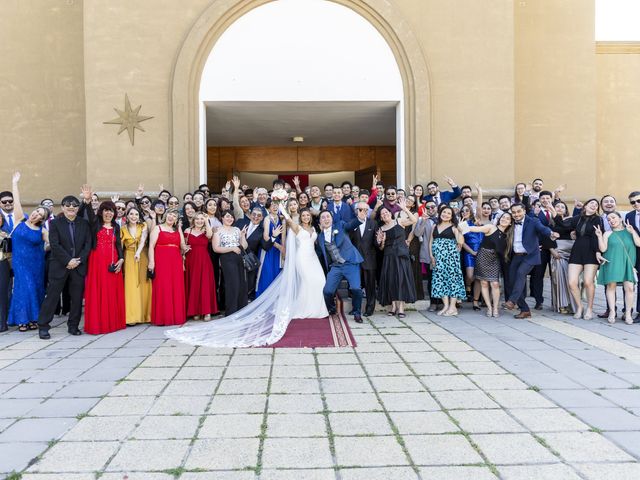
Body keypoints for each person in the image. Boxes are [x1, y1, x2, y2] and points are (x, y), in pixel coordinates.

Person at [37, 193, 92, 339]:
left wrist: (78, 260)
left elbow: (88, 245)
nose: (71, 207)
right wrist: (68, 260)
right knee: (52, 296)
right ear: (62, 207)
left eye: (74, 205)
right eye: (68, 205)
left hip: (78, 266)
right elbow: (54, 244)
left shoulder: (84, 224)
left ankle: (73, 326)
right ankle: (43, 326)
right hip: (60, 265)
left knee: (76, 298)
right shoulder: (55, 223)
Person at [7, 172, 49, 331]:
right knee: (25, 287)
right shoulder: (20, 220)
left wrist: (46, 248)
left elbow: (54, 244)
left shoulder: (42, 231)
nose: (36, 213)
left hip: (36, 263)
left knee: (36, 288)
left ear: (42, 218)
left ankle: (33, 319)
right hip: (20, 262)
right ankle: (22, 320)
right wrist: (14, 183)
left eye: (40, 214)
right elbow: (16, 202)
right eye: (37, 210)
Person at [549, 199, 603, 320]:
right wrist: (555, 215)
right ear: (585, 206)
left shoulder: (597, 219)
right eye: (591, 203)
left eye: (596, 205)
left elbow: (597, 237)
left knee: (588, 282)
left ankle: (589, 308)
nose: (594, 206)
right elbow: (563, 226)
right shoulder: (577, 218)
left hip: (591, 252)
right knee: (572, 282)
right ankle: (579, 307)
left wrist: (598, 252)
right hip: (577, 251)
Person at [503, 203, 558, 319]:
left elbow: (542, 229)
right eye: (513, 212)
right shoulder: (511, 222)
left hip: (530, 256)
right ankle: (525, 310)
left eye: (518, 211)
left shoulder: (533, 221)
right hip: (516, 255)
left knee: (520, 273)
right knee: (512, 281)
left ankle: (512, 301)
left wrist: (551, 234)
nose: (516, 214)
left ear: (524, 211)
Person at [83, 198, 126, 335]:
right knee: (99, 289)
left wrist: (121, 259)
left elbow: (118, 244)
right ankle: (99, 323)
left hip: (112, 262)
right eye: (106, 210)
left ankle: (113, 322)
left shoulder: (116, 227)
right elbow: (89, 214)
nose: (109, 213)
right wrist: (87, 201)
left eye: (111, 210)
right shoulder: (95, 224)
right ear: (101, 212)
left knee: (112, 290)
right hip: (97, 262)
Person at [316, 210, 365, 323]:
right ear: (320, 222)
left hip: (350, 262)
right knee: (327, 291)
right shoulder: (320, 237)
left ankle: (357, 313)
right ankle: (332, 309)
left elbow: (351, 225)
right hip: (336, 266)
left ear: (332, 219)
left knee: (356, 289)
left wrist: (359, 219)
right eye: (323, 218)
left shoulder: (341, 225)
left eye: (328, 216)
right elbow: (320, 254)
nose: (326, 219)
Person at [461, 212, 513, 317]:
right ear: (499, 219)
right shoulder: (490, 227)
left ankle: (495, 308)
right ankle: (489, 308)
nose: (504, 219)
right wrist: (462, 224)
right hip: (483, 256)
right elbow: (474, 229)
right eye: (503, 217)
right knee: (484, 283)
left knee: (495, 284)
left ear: (511, 223)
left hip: (495, 260)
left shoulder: (509, 235)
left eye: (507, 219)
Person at [596, 213, 640, 324]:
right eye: (609, 219)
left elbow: (638, 243)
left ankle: (628, 313)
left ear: (620, 219)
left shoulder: (630, 231)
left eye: (614, 217)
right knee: (611, 286)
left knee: (629, 288)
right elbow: (603, 248)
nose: (611, 220)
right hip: (612, 262)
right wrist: (599, 236)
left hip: (627, 263)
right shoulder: (608, 233)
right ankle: (612, 312)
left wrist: (633, 232)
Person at [376, 200, 417, 318]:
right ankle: (393, 306)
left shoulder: (399, 221)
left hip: (401, 255)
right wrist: (382, 241)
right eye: (382, 214)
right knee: (391, 280)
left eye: (386, 212)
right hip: (389, 256)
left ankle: (401, 308)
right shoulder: (381, 229)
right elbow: (381, 248)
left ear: (390, 213)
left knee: (401, 279)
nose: (385, 215)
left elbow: (414, 220)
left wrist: (405, 209)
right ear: (381, 218)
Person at [148, 209, 188, 326]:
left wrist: (180, 228)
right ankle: (163, 317)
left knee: (176, 287)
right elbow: (151, 246)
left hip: (175, 261)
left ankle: (176, 316)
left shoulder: (176, 230)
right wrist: (151, 262)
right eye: (170, 214)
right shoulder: (158, 228)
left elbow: (182, 246)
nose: (171, 217)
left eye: (174, 216)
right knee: (163, 286)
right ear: (166, 215)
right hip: (161, 260)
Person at [429, 206, 466, 316]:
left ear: (451, 216)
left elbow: (460, 242)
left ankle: (453, 307)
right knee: (441, 280)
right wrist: (431, 255)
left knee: (452, 280)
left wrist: (460, 229)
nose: (445, 214)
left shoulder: (454, 227)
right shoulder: (435, 225)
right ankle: (445, 306)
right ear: (440, 213)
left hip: (451, 258)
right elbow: (431, 241)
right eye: (444, 212)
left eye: (448, 213)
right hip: (438, 258)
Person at [213, 211, 248, 315]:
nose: (230, 219)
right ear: (222, 218)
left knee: (242, 283)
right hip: (227, 258)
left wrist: (242, 235)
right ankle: (231, 311)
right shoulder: (217, 230)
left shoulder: (237, 229)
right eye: (227, 216)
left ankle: (242, 309)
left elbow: (244, 246)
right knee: (232, 284)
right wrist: (232, 248)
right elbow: (216, 248)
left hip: (239, 257)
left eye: (232, 217)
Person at [121, 207, 152, 325]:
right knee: (131, 285)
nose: (134, 216)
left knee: (144, 284)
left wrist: (138, 252)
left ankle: (146, 314)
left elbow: (143, 240)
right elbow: (120, 245)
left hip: (142, 255)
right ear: (127, 216)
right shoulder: (123, 229)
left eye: (136, 214)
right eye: (131, 214)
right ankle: (132, 316)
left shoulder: (143, 226)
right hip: (129, 256)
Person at [184, 212, 217, 321]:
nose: (199, 221)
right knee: (194, 284)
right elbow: (182, 246)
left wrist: (207, 220)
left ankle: (207, 311)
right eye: (197, 219)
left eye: (201, 219)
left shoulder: (206, 230)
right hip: (191, 261)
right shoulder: (187, 231)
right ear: (193, 220)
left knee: (204, 285)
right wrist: (184, 248)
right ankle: (195, 310)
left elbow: (209, 236)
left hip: (204, 261)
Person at [350, 201, 378, 317]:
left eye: (365, 210)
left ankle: (370, 308)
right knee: (355, 286)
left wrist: (380, 241)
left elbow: (376, 243)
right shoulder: (351, 223)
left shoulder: (373, 223)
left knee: (370, 286)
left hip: (369, 260)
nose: (363, 212)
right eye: (360, 209)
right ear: (356, 211)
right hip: (355, 260)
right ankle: (355, 308)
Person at [548, 201, 577, 314]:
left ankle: (572, 304)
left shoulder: (570, 221)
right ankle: (561, 304)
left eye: (562, 207)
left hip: (571, 252)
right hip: (558, 252)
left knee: (572, 280)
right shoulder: (549, 222)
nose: (560, 208)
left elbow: (567, 229)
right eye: (557, 207)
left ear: (566, 210)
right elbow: (545, 237)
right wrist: (552, 250)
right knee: (559, 278)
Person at [256, 199, 285, 297]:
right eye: (272, 205)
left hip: (278, 252)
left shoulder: (281, 219)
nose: (275, 206)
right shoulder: (267, 219)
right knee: (267, 273)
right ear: (268, 207)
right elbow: (266, 237)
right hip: (269, 249)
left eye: (276, 205)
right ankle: (263, 297)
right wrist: (278, 246)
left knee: (276, 273)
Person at [459, 204, 484, 310]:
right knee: (470, 276)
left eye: (467, 210)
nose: (464, 212)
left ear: (471, 211)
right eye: (462, 211)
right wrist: (472, 252)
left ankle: (475, 302)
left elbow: (479, 208)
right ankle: (468, 286)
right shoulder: (462, 224)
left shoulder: (477, 221)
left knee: (478, 277)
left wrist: (479, 192)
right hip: (469, 252)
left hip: (482, 252)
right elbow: (462, 242)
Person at [625, 191, 640, 320]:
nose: (636, 204)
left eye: (638, 201)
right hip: (637, 253)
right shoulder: (629, 216)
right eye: (633, 202)